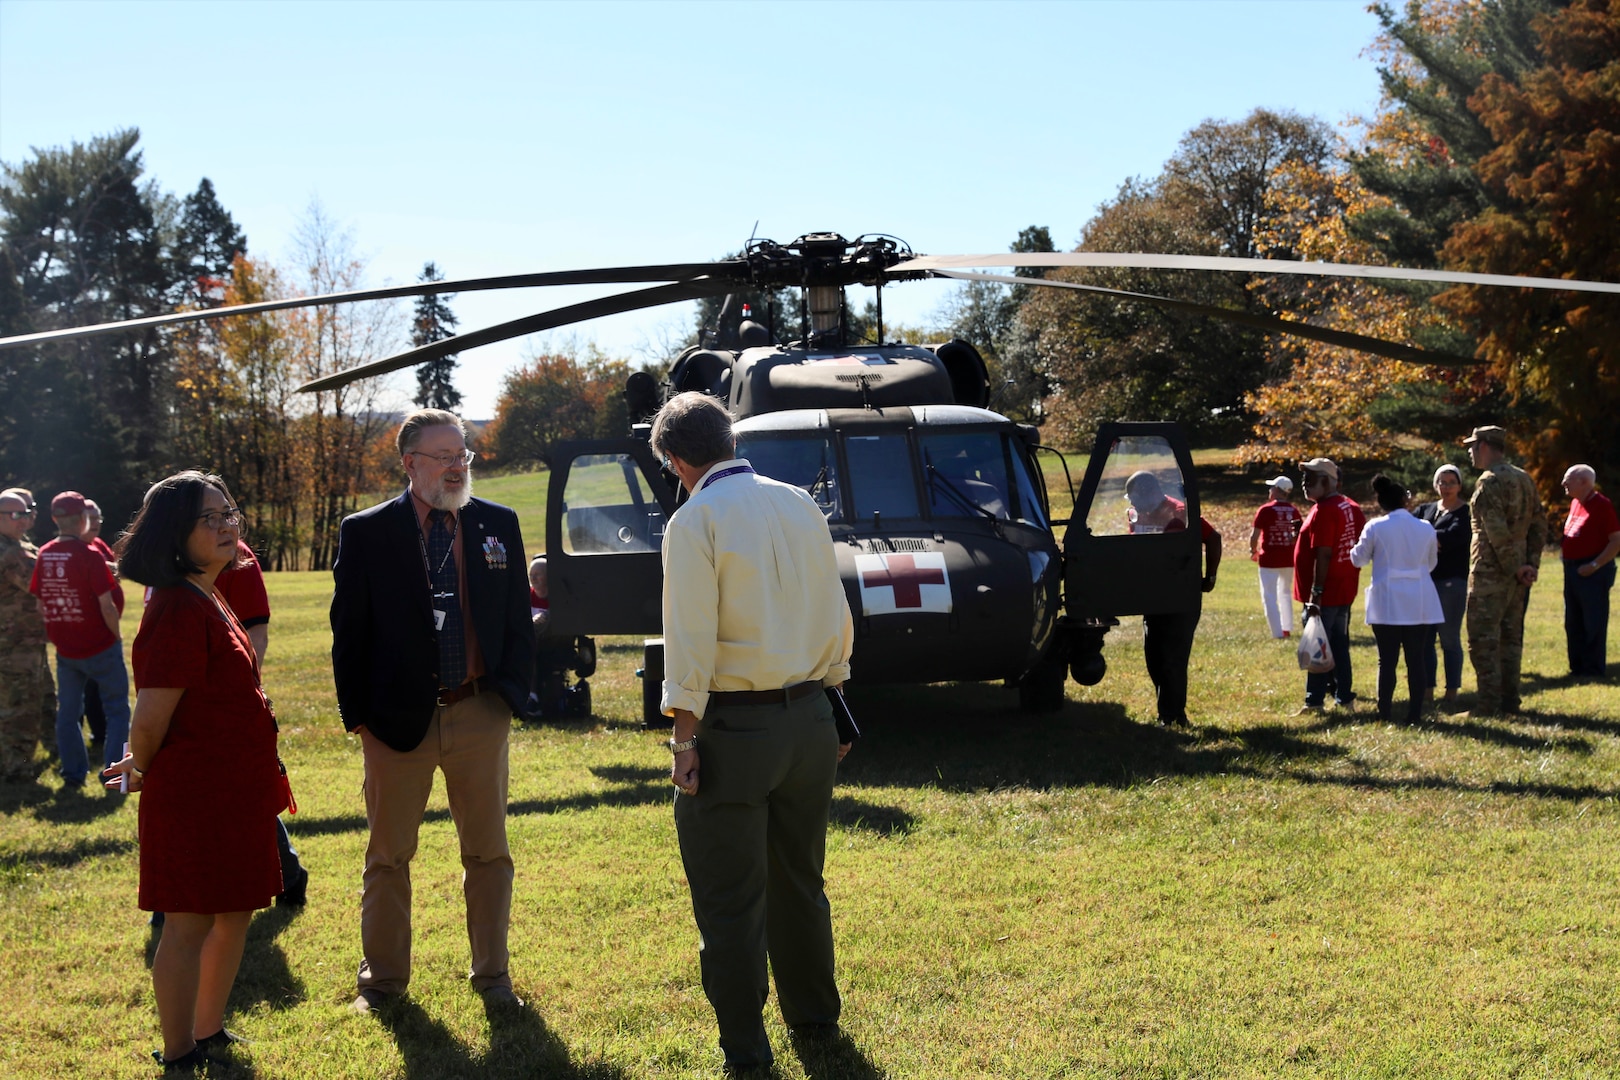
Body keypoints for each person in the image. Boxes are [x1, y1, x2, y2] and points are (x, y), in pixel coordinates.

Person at [655, 392, 854, 1074]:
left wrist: (684, 741)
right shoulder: (800, 502)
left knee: (729, 899)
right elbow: (835, 611)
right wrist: (834, 701)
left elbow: (689, 645)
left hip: (736, 731)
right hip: (813, 720)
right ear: (730, 439)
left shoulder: (694, 519)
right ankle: (816, 1020)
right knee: (801, 879)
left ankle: (746, 1048)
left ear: (676, 461)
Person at [330, 408, 532, 1015]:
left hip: (477, 711)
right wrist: (359, 718)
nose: (457, 466)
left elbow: (517, 620)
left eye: (462, 455)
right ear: (409, 462)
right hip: (395, 722)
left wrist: (509, 696)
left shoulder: (497, 523)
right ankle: (384, 982)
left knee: (489, 852)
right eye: (444, 456)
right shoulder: (367, 531)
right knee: (389, 855)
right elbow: (349, 632)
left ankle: (493, 976)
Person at [101, 472, 287, 1072]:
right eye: (211, 518)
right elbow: (151, 717)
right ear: (174, 534)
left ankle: (209, 1031)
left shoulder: (209, 592)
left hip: (236, 790)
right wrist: (142, 765)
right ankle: (179, 1051)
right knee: (188, 922)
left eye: (229, 513)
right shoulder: (178, 606)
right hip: (195, 795)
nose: (228, 525)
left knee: (235, 912)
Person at [212, 540, 311, 907]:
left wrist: (242, 692)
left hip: (225, 701)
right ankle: (177, 901)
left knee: (243, 795)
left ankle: (288, 876)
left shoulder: (234, 555)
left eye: (225, 513)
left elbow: (257, 631)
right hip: (177, 697)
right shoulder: (166, 554)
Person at [28, 490, 131, 787]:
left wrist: (56, 635)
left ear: (54, 519)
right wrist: (116, 636)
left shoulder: (45, 553)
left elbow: (39, 605)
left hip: (67, 650)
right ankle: (113, 775)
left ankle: (73, 774)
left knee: (69, 712)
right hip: (101, 646)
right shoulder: (90, 555)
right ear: (84, 520)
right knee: (117, 710)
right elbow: (106, 605)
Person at [1125, 471, 1221, 726]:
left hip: (1180, 596)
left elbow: (1213, 539)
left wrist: (1209, 577)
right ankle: (1169, 711)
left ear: (1149, 493)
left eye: (1134, 499)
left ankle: (1172, 716)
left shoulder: (1179, 511)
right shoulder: (1136, 514)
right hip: (1152, 595)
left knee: (1172, 657)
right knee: (1154, 656)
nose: (1132, 505)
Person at [1462, 426, 1546, 716]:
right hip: (1517, 575)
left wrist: (1516, 567)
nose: (1470, 451)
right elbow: (1539, 524)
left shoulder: (1489, 481)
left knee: (1482, 640)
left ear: (1485, 446)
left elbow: (1495, 533)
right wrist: (1529, 565)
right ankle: (1510, 702)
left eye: (1473, 446)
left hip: (1490, 573)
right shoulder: (1524, 478)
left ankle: (1488, 706)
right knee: (1510, 641)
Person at [1350, 475, 1444, 723]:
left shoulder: (1375, 527)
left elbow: (1358, 559)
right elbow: (1431, 563)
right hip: (1419, 598)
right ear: (1405, 500)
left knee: (1387, 659)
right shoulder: (1425, 527)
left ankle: (1385, 711)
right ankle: (1415, 713)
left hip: (1387, 598)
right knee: (1416, 658)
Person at [1293, 458, 1366, 714]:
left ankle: (1314, 701)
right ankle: (1344, 696)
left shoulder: (1325, 510)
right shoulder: (1350, 506)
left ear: (1326, 481)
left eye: (1311, 478)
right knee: (1339, 645)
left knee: (1318, 646)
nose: (1305, 483)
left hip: (1326, 592)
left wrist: (1316, 594)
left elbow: (1324, 553)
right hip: (1345, 588)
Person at [1, 489, 54, 783]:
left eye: (25, 513)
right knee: (20, 707)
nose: (23, 520)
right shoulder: (10, 552)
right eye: (15, 515)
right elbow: (44, 579)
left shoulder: (13, 544)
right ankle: (16, 770)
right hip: (15, 645)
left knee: (33, 700)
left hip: (21, 641)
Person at [1414, 465, 1470, 706]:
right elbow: (1409, 531)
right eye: (1442, 482)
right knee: (1425, 639)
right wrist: (1431, 539)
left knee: (1449, 638)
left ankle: (1452, 691)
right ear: (1435, 485)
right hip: (1424, 583)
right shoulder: (1425, 510)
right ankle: (1427, 689)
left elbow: (1451, 539)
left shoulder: (1465, 513)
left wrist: (1427, 539)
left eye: (1451, 482)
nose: (1446, 487)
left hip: (1451, 584)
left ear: (1459, 485)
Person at [1558, 464, 1619, 678]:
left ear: (1584, 482)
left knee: (1592, 620)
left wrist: (1594, 565)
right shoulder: (1576, 503)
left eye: (1568, 479)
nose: (1563, 483)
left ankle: (1593, 669)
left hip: (1593, 571)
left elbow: (1615, 541)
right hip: (1572, 569)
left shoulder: (1601, 505)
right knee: (1573, 620)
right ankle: (1577, 666)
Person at [79, 498, 123, 748]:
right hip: (91, 630)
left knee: (100, 686)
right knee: (89, 687)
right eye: (90, 517)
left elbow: (116, 569)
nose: (95, 523)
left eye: (98, 518)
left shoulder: (97, 545)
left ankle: (104, 731)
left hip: (104, 629)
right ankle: (98, 734)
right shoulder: (77, 548)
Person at [1250, 475, 1300, 639]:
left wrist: (1253, 551)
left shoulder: (1265, 510)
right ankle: (1287, 628)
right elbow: (1298, 535)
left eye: (1272, 488)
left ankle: (1277, 633)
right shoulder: (1294, 511)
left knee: (1269, 596)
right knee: (1285, 593)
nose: (1270, 490)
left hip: (1269, 560)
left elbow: (1254, 536)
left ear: (1278, 490)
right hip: (1288, 559)